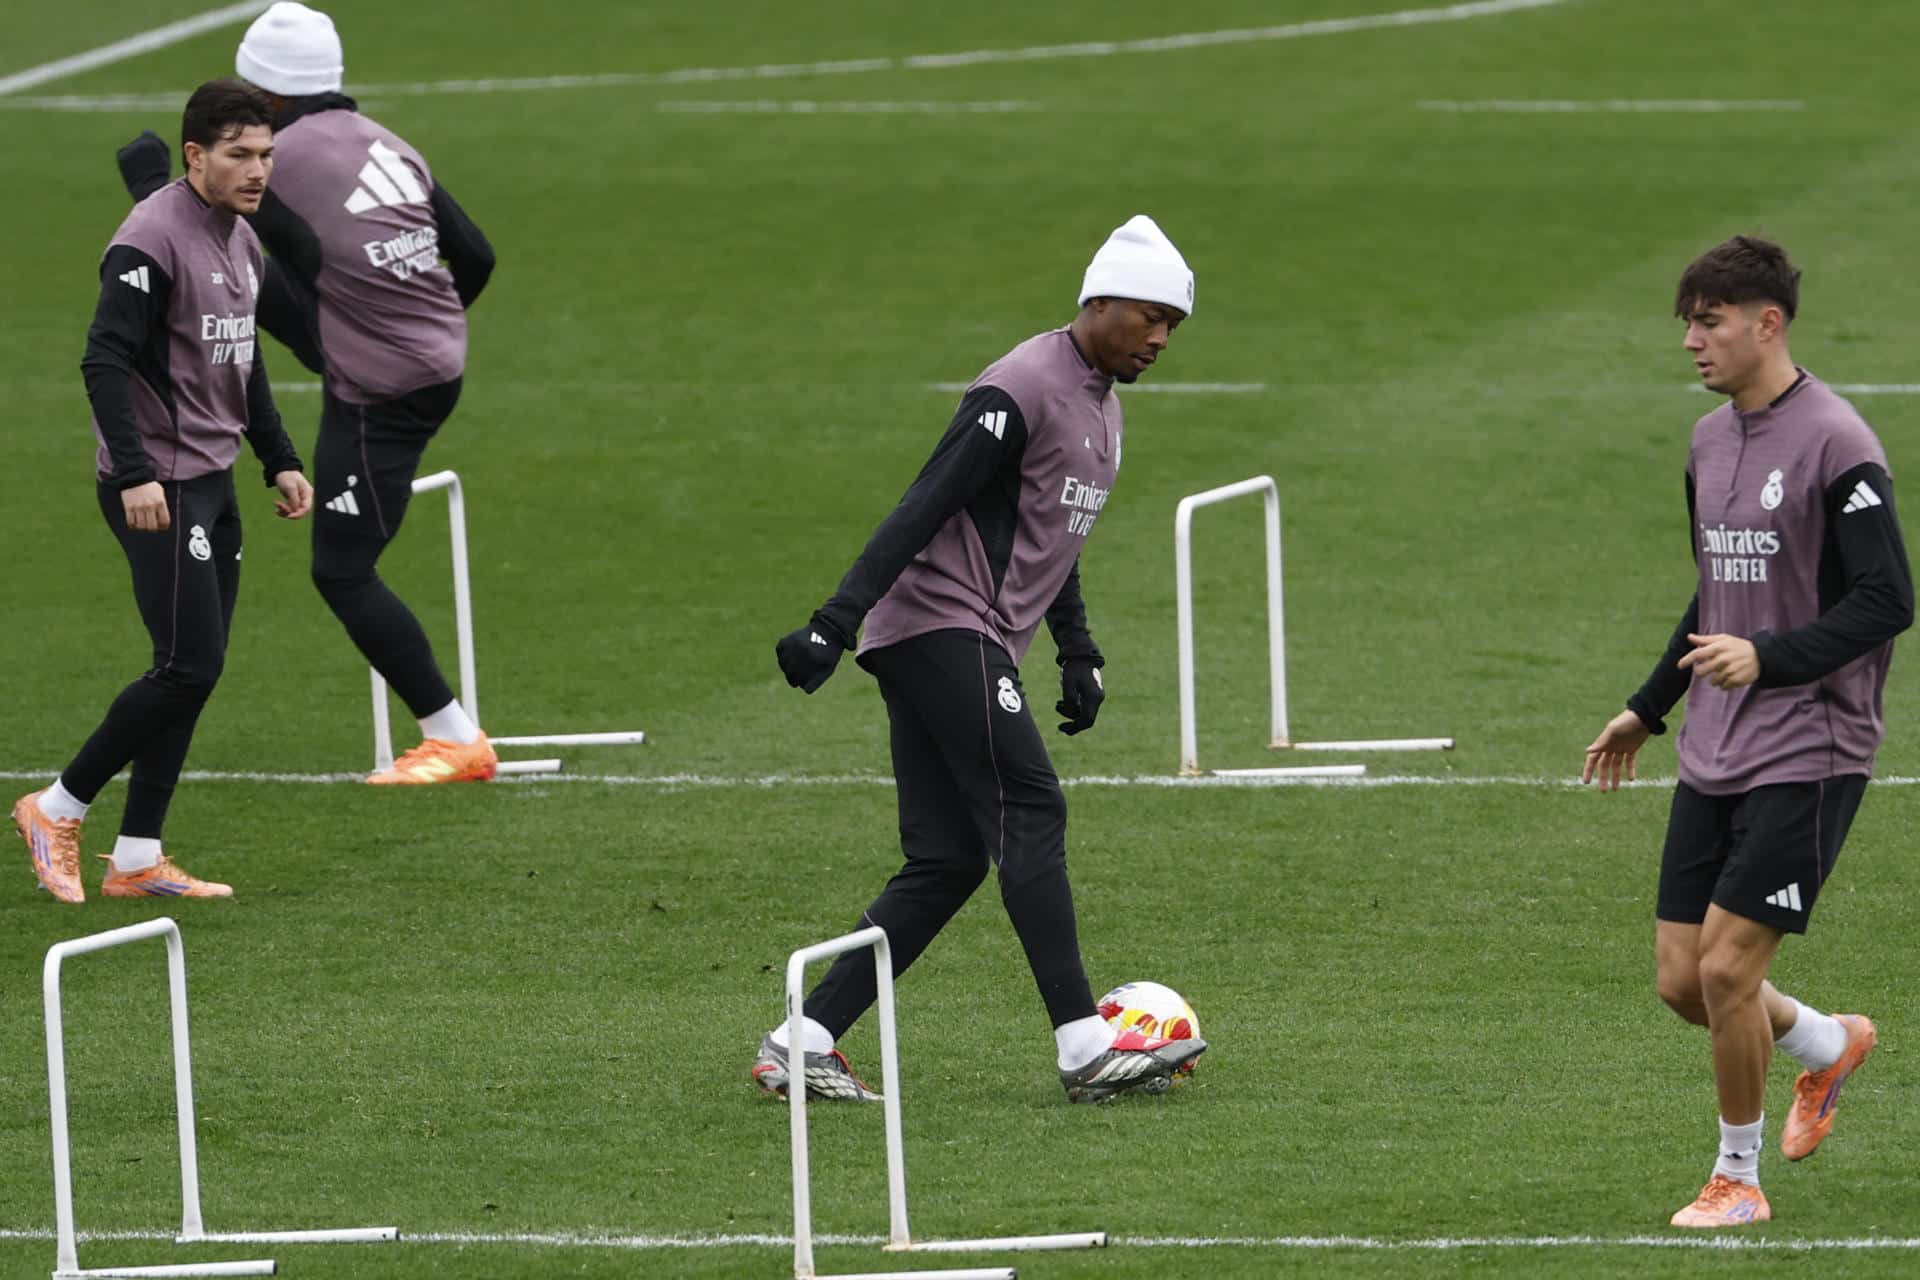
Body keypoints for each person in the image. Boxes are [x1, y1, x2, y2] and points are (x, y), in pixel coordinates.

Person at [759, 215, 1208, 1104]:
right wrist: (833, 621)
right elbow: (924, 502)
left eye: (1174, 326)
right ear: (1099, 300)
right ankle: (1085, 1045)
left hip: (968, 636)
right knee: (1032, 805)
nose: (1160, 338)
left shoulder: (1104, 411)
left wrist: (1078, 649)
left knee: (950, 859)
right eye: (1149, 317)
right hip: (938, 628)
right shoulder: (1022, 386)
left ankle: (801, 1039)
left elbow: (1055, 536)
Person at [1582, 235, 1912, 1225]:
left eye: (1709, 321)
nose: (1692, 340)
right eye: (1689, 321)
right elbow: (1717, 588)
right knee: (1685, 982)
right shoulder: (1708, 441)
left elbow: (1889, 596)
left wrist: (1769, 658)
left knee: (1730, 967)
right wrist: (1649, 704)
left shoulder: (1837, 442)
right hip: (1715, 744)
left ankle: (1739, 1176)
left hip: (1813, 745)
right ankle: (1827, 1042)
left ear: (1768, 323)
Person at [116, 1, 499, 785]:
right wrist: (414, 320)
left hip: (380, 392)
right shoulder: (383, 139)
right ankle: (452, 732)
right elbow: (476, 256)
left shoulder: (282, 158)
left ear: (271, 97)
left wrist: (151, 185)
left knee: (342, 570)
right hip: (440, 361)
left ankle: (453, 735)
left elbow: (216, 262)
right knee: (278, 282)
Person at [13, 80, 312, 903]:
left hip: (212, 482)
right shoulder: (148, 241)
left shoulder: (242, 241)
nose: (258, 170)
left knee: (192, 667)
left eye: (266, 155)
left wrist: (278, 456)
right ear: (195, 155)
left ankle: (139, 856)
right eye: (240, 154)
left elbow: (239, 362)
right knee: (187, 664)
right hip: (158, 486)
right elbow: (103, 360)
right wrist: (137, 470)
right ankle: (56, 806)